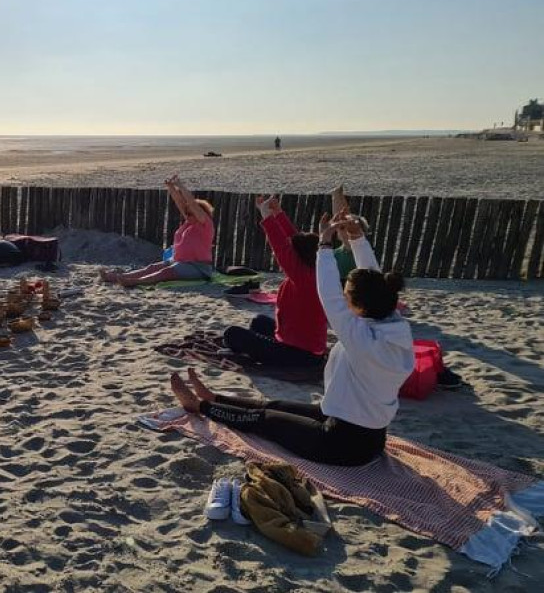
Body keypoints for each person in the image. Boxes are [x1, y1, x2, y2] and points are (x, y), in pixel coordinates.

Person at [169, 210, 414, 467]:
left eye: (347, 296)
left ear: (361, 306)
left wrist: (325, 244)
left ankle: (200, 407)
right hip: (362, 431)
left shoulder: (361, 338)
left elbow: (328, 293)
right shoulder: (392, 324)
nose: (343, 298)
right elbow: (374, 280)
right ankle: (214, 398)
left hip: (343, 445)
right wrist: (357, 238)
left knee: (266, 421)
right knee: (274, 405)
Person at [221, 195, 327, 367]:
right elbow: (293, 240)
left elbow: (281, 247)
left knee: (232, 334)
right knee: (259, 322)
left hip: (299, 355)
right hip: (304, 348)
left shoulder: (304, 277)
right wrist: (278, 214)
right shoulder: (313, 269)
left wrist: (267, 217)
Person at [100, 175, 215, 287]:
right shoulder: (189, 222)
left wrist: (180, 185)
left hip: (198, 267)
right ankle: (118, 277)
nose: (187, 215)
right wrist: (171, 187)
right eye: (187, 213)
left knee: (166, 272)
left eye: (191, 213)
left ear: (200, 213)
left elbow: (191, 203)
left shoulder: (205, 224)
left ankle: (135, 281)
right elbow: (180, 202)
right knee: (152, 268)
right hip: (179, 261)